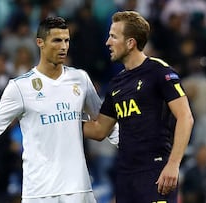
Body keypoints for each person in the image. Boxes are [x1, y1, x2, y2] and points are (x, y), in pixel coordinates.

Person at [0, 16, 106, 203]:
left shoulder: (80, 79)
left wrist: (133, 143)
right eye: (57, 40)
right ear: (40, 42)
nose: (63, 46)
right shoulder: (20, 87)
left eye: (66, 40)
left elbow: (105, 121)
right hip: (40, 191)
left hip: (78, 188)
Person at [83, 11, 194, 203]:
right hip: (126, 177)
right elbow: (100, 129)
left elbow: (186, 117)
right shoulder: (116, 84)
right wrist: (64, 121)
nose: (107, 42)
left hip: (157, 172)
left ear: (130, 43)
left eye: (113, 36)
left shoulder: (159, 72)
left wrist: (173, 164)